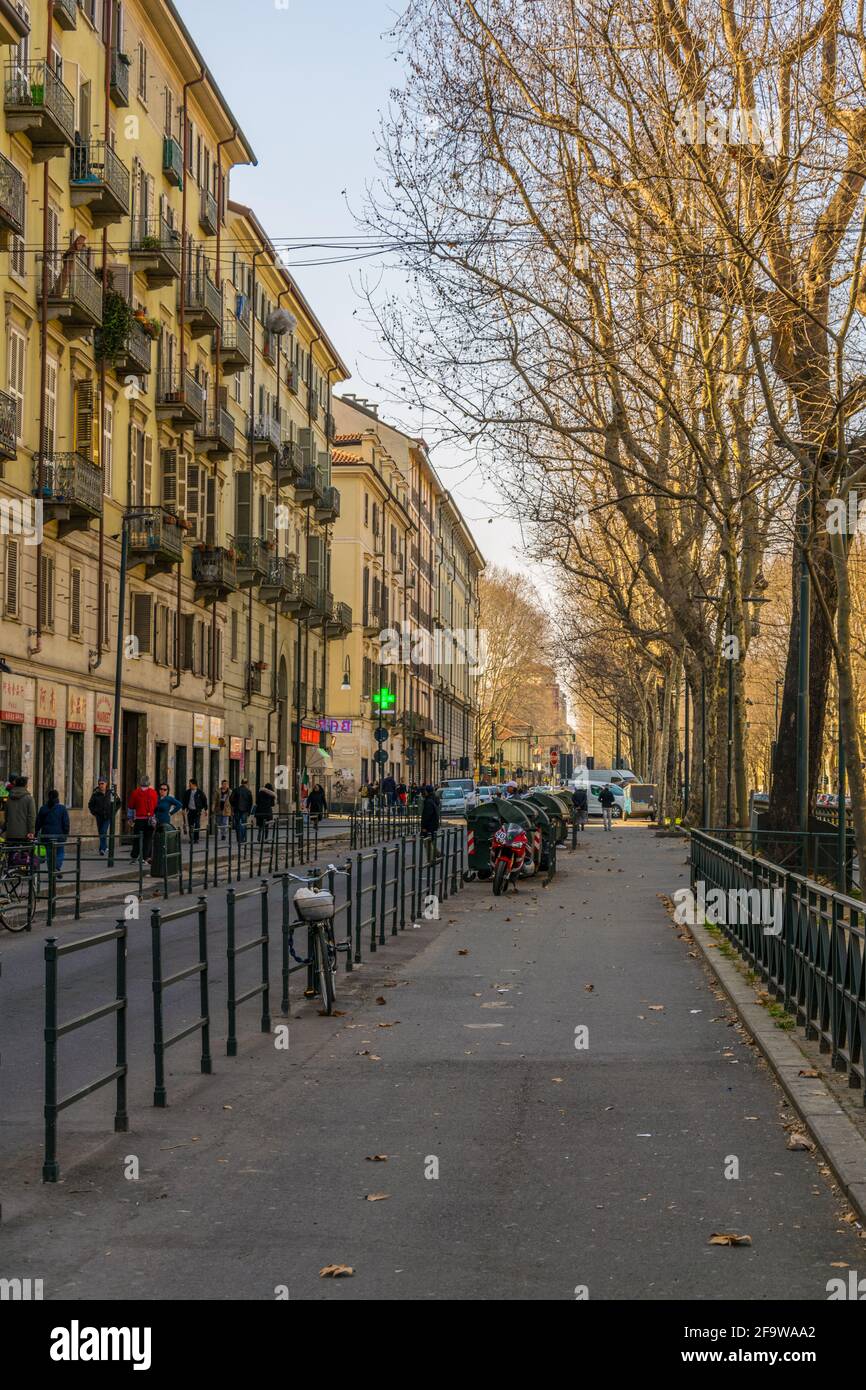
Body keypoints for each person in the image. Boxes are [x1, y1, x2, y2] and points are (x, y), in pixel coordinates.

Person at [36, 789, 70, 875]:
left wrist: (36, 832)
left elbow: (38, 823)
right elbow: (66, 823)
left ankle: (51, 873)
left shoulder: (43, 808)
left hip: (46, 835)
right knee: (60, 852)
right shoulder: (62, 808)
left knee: (49, 855)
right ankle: (56, 867)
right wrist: (65, 834)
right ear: (57, 797)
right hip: (59, 835)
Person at [127, 777, 158, 861]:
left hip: (139, 819)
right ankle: (146, 857)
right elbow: (155, 805)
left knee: (137, 838)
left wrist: (130, 818)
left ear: (140, 783)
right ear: (149, 783)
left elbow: (131, 806)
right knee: (148, 838)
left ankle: (134, 856)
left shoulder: (135, 792)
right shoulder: (153, 793)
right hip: (150, 819)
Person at [4, 774, 36, 845]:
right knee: (24, 854)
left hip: (10, 833)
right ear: (25, 785)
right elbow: (31, 817)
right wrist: (31, 832)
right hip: (24, 835)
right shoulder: (29, 798)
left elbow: (6, 816)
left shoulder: (9, 798)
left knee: (12, 854)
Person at [88, 778, 116, 855]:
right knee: (101, 832)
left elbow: (118, 802)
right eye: (99, 784)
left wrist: (113, 811)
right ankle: (102, 849)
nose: (101, 785)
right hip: (99, 816)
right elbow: (90, 804)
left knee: (103, 831)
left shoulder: (110, 793)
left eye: (102, 783)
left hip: (107, 816)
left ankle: (104, 848)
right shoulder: (95, 794)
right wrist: (94, 812)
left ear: (106, 784)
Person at [182, 778, 208, 844]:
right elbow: (184, 801)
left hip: (197, 811)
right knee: (190, 825)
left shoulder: (200, 792)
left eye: (190, 784)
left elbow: (204, 800)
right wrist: (183, 809)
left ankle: (196, 839)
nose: (189, 785)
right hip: (190, 811)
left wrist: (206, 809)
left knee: (197, 824)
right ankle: (191, 839)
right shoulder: (187, 792)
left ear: (194, 784)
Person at [420, 783, 440, 864]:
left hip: (429, 825)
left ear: (427, 792)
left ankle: (430, 860)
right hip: (433, 824)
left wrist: (424, 827)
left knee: (427, 842)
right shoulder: (433, 799)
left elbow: (426, 815)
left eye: (424, 791)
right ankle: (439, 855)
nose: (423, 792)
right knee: (430, 841)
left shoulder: (428, 801)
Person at [230, 778, 253, 844]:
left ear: (241, 782)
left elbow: (231, 799)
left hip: (237, 809)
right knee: (243, 823)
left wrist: (234, 805)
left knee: (237, 824)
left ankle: (238, 838)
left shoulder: (236, 790)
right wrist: (249, 811)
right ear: (247, 783)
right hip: (245, 810)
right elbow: (250, 802)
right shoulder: (248, 791)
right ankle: (242, 838)